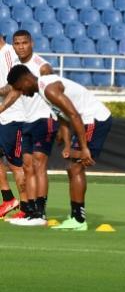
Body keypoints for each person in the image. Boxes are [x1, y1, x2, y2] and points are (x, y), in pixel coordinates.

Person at [6, 65, 112, 231]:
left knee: (75, 167)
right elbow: (63, 116)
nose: (22, 93)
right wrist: (68, 144)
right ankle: (76, 217)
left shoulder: (49, 89)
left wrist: (84, 148)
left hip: (94, 119)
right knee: (72, 167)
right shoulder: (43, 90)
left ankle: (78, 219)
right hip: (85, 121)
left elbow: (74, 114)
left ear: (26, 80)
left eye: (20, 89)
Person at [0, 30, 55, 226]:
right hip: (19, 118)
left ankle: (35, 211)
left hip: (31, 119)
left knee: (33, 165)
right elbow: (15, 88)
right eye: (18, 43)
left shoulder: (40, 66)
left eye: (24, 43)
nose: (21, 47)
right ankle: (24, 207)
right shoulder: (17, 64)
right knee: (27, 165)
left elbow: (54, 89)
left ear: (31, 43)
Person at [0, 33, 30, 219]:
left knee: (16, 164)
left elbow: (15, 84)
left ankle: (27, 208)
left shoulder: (9, 53)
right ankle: (8, 198)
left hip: (15, 117)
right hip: (2, 116)